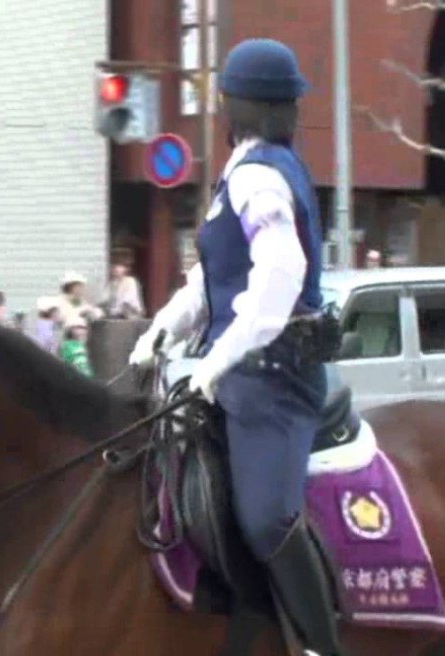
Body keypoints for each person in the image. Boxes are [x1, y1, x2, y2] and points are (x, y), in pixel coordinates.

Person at [128, 39, 342, 655]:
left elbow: (277, 278)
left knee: (266, 516)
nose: (290, 115)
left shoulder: (261, 176)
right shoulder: (242, 172)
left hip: (274, 382)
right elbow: (213, 278)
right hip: (241, 374)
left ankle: (321, 647)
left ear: (231, 106)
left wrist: (215, 364)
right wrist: (158, 334)